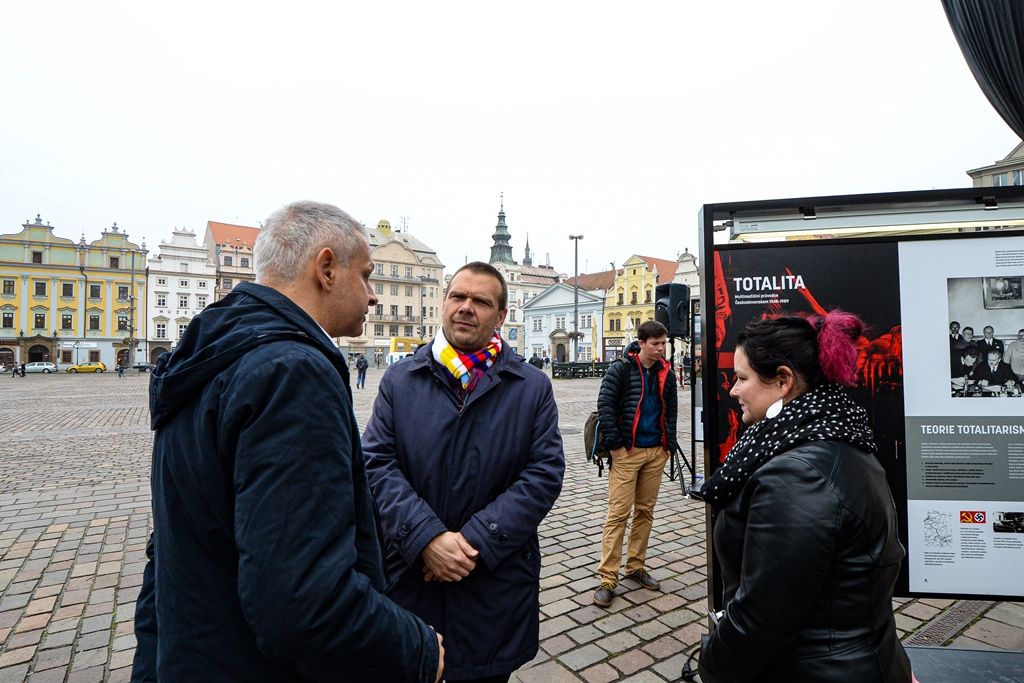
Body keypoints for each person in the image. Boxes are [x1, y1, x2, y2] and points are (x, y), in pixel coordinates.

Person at [131, 201, 443, 683]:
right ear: (325, 269)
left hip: (194, 654)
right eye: (366, 275)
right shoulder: (290, 373)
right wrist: (415, 648)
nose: (374, 296)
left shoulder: (210, 353)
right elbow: (301, 599)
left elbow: (172, 549)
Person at [362, 261, 564, 683]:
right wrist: (427, 539)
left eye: (481, 301)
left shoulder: (530, 387)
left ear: (501, 316)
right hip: (411, 580)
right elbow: (377, 463)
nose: (466, 308)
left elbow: (543, 474)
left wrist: (471, 543)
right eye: (458, 296)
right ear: (443, 302)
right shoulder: (400, 380)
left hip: (492, 583)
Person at [694, 312, 911, 682]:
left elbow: (760, 622)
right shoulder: (838, 433)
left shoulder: (796, 476)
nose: (733, 390)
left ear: (783, 381)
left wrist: (711, 663)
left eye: (743, 378)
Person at [593, 320, 678, 607]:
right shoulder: (621, 369)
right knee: (618, 514)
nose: (660, 349)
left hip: (656, 451)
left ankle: (636, 566)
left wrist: (669, 444)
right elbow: (605, 405)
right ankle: (607, 578)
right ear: (641, 343)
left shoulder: (667, 372)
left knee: (645, 511)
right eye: (655, 344)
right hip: (628, 452)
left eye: (663, 343)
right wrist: (616, 447)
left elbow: (672, 411)